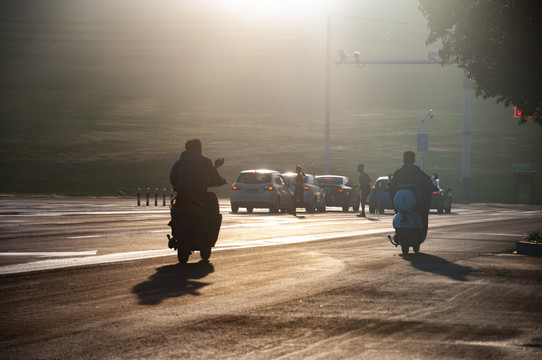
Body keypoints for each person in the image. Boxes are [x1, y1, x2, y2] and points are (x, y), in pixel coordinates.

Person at [169, 138, 227, 246]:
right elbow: (215, 177)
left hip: (182, 196)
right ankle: (209, 235)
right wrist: (221, 181)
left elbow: (172, 179)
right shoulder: (205, 161)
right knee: (213, 209)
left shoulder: (178, 163)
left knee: (175, 210)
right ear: (199, 148)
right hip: (199, 195)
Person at [388, 151, 433, 240]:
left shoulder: (398, 173)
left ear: (404, 160)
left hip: (400, 205)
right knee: (424, 215)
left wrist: (394, 204)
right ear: (414, 160)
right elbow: (428, 186)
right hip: (417, 205)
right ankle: (421, 234)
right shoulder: (419, 174)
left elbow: (392, 188)